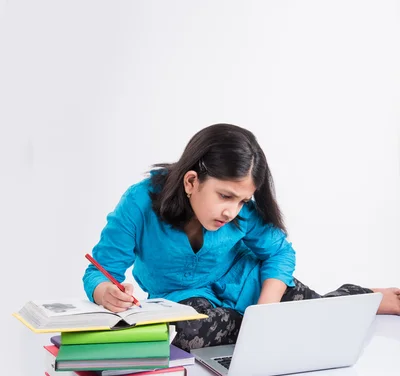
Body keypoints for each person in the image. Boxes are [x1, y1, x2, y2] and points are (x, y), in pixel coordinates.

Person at [83, 123, 400, 351]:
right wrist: (104, 291)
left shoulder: (242, 211)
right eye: (224, 196)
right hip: (188, 302)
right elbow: (99, 270)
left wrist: (266, 309)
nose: (232, 212)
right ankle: (277, 327)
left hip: (253, 289)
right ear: (192, 181)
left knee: (321, 318)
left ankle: (361, 296)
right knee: (184, 333)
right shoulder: (139, 203)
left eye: (242, 201)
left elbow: (279, 253)